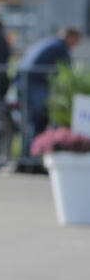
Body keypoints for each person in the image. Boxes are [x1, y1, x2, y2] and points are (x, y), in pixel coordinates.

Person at [15, 27, 82, 172]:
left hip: (24, 82)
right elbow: (67, 73)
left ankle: (24, 162)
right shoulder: (60, 48)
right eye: (75, 41)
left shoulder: (49, 42)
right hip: (34, 86)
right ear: (70, 37)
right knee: (37, 123)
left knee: (29, 124)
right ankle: (33, 163)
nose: (75, 46)